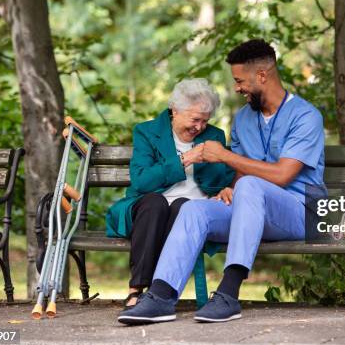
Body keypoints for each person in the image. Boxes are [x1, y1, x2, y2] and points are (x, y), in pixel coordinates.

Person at [117, 39, 325, 325]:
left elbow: (282, 175)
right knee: (194, 209)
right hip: (252, 211)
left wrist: (226, 159)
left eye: (240, 80)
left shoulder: (305, 116)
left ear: (262, 76)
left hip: (300, 212)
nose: (237, 87)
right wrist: (230, 188)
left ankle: (228, 293)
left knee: (251, 185)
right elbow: (240, 174)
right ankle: (161, 296)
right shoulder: (243, 119)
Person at [106, 78, 234, 309]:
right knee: (156, 203)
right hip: (146, 208)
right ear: (175, 111)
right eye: (195, 119)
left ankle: (159, 291)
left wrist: (228, 187)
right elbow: (142, 181)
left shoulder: (214, 136)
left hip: (191, 210)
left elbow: (226, 174)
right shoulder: (147, 132)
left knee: (183, 206)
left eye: (205, 121)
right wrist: (186, 159)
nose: (200, 127)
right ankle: (136, 289)